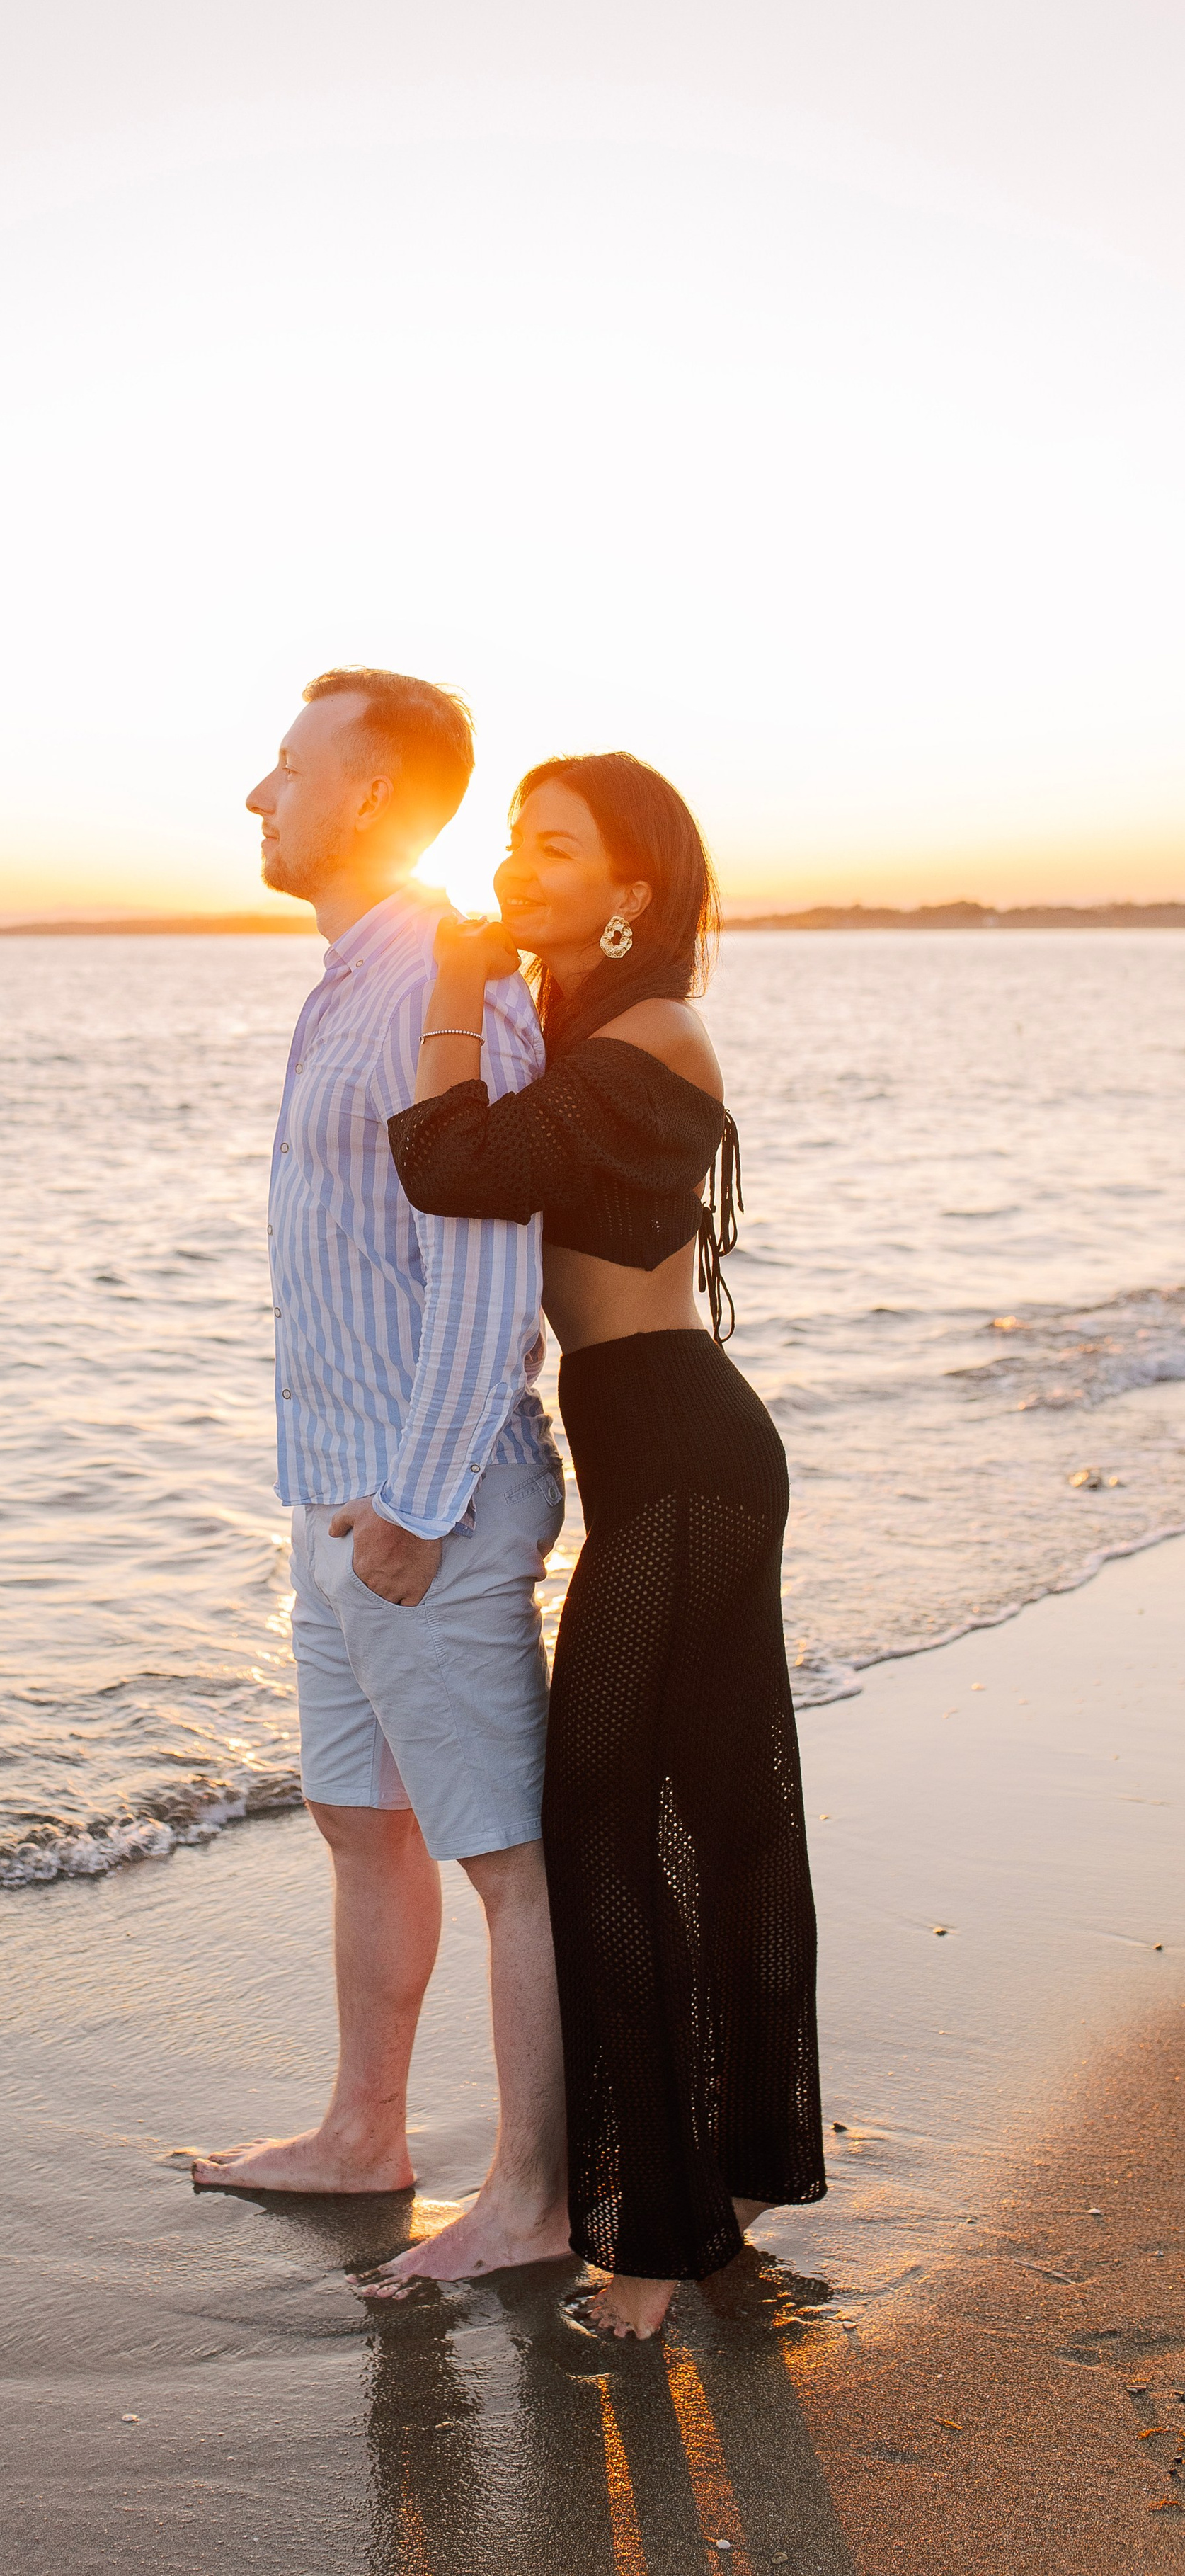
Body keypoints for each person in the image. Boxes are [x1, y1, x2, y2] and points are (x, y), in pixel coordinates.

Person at [378, 751, 825, 2335]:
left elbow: (444, 1161)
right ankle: (743, 2171)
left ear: (629, 889)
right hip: (656, 1466)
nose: (516, 861)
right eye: (510, 839)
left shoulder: (651, 1036)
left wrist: (445, 975)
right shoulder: (584, 1034)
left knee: (613, 1829)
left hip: (690, 1468)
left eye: (552, 846)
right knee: (712, 1809)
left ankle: (646, 2247)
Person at [190, 668, 574, 2286]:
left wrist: (416, 1504)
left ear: (364, 797)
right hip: (334, 1491)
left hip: (431, 1498)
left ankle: (532, 2199)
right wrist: (345, 1503)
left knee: (500, 1856)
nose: (254, 796)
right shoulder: (345, 977)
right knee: (361, 1825)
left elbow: (492, 1256)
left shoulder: (444, 974)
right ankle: (364, 2138)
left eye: (284, 768)